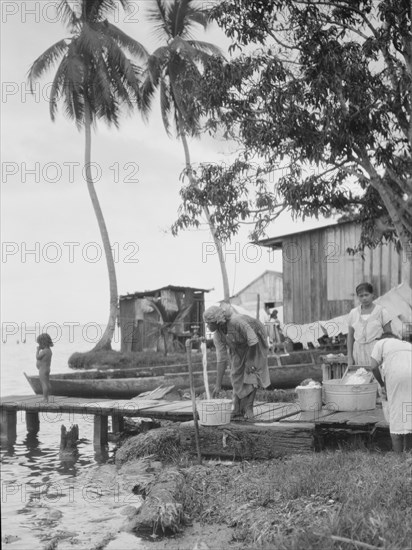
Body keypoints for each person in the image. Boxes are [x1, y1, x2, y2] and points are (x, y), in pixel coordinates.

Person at [203, 305, 270, 420]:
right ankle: (237, 408)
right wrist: (218, 385)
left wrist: (250, 361)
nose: (207, 326)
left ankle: (249, 407)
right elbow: (221, 359)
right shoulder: (218, 336)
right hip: (239, 344)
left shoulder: (236, 322)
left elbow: (253, 339)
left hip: (256, 339)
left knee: (252, 371)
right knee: (235, 374)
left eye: (209, 323)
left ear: (216, 321)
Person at [370, 333, 412, 453]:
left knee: (396, 412)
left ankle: (398, 457)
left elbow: (373, 366)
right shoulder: (407, 344)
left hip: (397, 376)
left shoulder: (381, 343)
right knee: (409, 413)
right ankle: (409, 453)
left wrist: (382, 384)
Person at [347, 282, 393, 367]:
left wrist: (387, 354)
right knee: (360, 376)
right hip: (358, 351)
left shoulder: (382, 312)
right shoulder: (353, 313)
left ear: (372, 295)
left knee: (377, 376)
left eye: (366, 295)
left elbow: (389, 335)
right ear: (358, 297)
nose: (364, 298)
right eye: (361, 296)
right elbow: (350, 337)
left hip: (376, 351)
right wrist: (349, 356)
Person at [36, 333, 53, 402]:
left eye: (39, 343)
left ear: (43, 343)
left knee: (43, 383)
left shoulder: (44, 351)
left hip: (42, 370)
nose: (39, 345)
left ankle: (45, 398)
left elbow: (37, 357)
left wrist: (38, 350)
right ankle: (49, 397)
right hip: (47, 369)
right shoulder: (49, 350)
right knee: (47, 382)